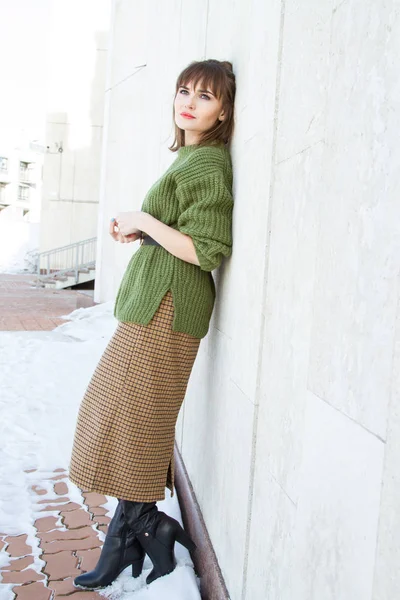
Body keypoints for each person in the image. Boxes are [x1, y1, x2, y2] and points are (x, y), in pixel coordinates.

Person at [68, 58, 236, 589]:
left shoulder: (208, 165)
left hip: (170, 309)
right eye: (184, 90)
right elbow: (177, 235)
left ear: (224, 109)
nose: (189, 101)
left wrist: (144, 221)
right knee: (125, 415)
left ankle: (139, 526)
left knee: (134, 419)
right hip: (154, 305)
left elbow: (207, 249)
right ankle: (136, 527)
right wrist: (140, 230)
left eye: (205, 96)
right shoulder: (189, 158)